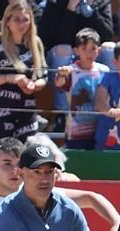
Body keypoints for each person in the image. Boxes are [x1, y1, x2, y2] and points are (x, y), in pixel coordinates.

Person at [0, 0, 47, 141]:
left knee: (27, 159)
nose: (21, 24)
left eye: (25, 20)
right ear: (7, 21)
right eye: (17, 19)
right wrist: (10, 78)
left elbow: (44, 76)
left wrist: (35, 85)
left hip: (28, 110)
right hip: (2, 110)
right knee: (4, 158)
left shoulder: (35, 42)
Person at [40, 0, 115, 132]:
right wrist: (70, 9)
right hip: (64, 57)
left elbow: (106, 34)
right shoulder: (55, 3)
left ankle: (109, 108)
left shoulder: (100, 2)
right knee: (63, 49)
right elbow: (51, 38)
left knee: (110, 48)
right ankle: (62, 114)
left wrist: (91, 10)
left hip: (91, 53)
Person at [53, 28, 111, 150]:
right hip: (76, 132)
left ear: (99, 50)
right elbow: (59, 84)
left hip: (100, 128)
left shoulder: (105, 71)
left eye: (93, 49)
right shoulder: (70, 70)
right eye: (84, 49)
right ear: (76, 51)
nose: (89, 53)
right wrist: (62, 74)